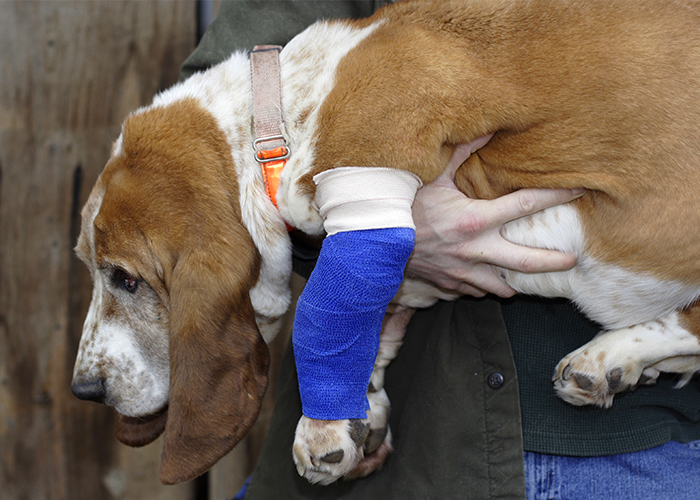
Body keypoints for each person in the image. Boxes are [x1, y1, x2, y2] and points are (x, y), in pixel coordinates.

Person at [182, 2, 700, 498]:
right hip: (420, 438)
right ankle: (349, 389)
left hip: (647, 445)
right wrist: (376, 218)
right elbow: (211, 133)